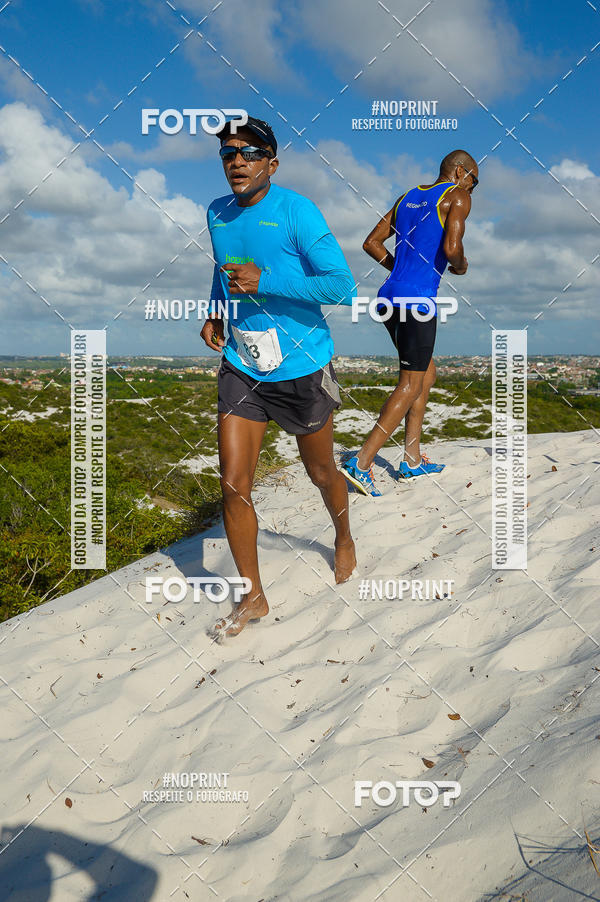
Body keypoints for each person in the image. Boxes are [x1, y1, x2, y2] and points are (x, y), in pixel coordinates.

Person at [201, 116, 357, 639]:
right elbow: (221, 268)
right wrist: (215, 310)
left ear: (272, 161)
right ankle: (254, 597)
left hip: (302, 366)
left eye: (248, 152)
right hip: (243, 364)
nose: (236, 161)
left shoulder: (297, 211)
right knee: (233, 484)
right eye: (228, 154)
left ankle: (342, 534)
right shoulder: (217, 212)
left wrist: (268, 280)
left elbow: (341, 286)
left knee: (319, 473)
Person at [342, 149, 477, 496]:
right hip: (417, 302)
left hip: (388, 297)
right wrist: (461, 267)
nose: (473, 190)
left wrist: (399, 273)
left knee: (425, 375)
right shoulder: (457, 196)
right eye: (474, 181)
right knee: (409, 383)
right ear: (460, 171)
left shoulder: (408, 197)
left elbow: (371, 243)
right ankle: (361, 462)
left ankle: (412, 459)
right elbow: (452, 250)